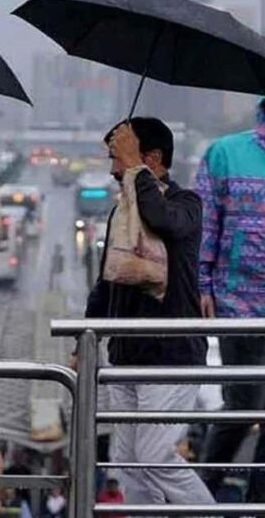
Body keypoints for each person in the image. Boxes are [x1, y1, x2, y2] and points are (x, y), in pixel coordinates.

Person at [86, 117, 212, 506]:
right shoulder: (121, 213)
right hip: (126, 357)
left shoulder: (185, 203)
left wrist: (136, 171)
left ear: (152, 158)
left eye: (118, 157)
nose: (112, 170)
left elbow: (162, 221)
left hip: (171, 355)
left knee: (156, 456)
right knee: (126, 462)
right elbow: (107, 283)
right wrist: (86, 337)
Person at [197, 98, 265, 501]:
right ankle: (202, 492)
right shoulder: (225, 153)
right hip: (237, 301)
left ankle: (258, 500)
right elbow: (206, 224)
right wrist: (203, 284)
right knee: (242, 407)